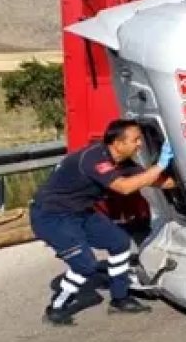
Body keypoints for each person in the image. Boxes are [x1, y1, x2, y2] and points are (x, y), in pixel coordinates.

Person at [29, 119, 176, 325]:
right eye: (135, 140)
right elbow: (124, 187)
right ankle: (56, 308)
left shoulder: (122, 162)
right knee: (85, 266)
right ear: (117, 143)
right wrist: (159, 165)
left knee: (119, 243)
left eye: (140, 140)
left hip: (80, 212)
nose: (139, 144)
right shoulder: (94, 159)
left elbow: (153, 180)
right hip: (52, 216)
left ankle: (120, 298)